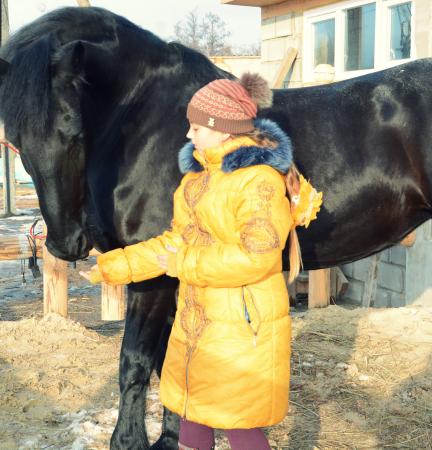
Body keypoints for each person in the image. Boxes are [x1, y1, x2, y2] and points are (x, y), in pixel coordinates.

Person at [80, 73, 322, 450]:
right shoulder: (196, 181)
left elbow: (255, 257)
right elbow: (174, 243)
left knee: (240, 426)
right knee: (192, 414)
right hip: (199, 325)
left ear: (224, 130)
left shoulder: (257, 182)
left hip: (242, 329)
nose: (189, 135)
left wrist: (186, 264)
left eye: (196, 127)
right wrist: (115, 266)